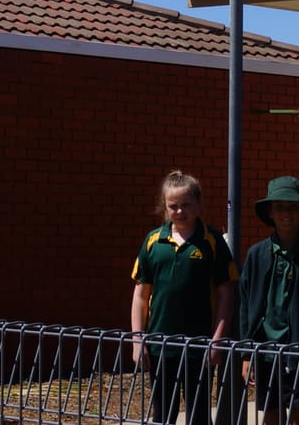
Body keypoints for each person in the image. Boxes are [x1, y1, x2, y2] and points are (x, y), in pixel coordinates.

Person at [131, 171, 239, 425]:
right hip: (160, 345)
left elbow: (227, 295)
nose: (180, 212)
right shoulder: (153, 242)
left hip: (200, 347)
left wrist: (217, 341)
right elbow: (140, 295)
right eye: (173, 206)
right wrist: (137, 340)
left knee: (198, 413)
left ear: (199, 205)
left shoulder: (211, 242)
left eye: (186, 205)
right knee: (163, 412)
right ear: (164, 208)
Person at [236, 177, 299, 425]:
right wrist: (247, 353)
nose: (286, 213)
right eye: (279, 207)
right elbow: (246, 306)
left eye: (292, 207)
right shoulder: (257, 254)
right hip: (267, 352)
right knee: (271, 414)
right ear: (270, 211)